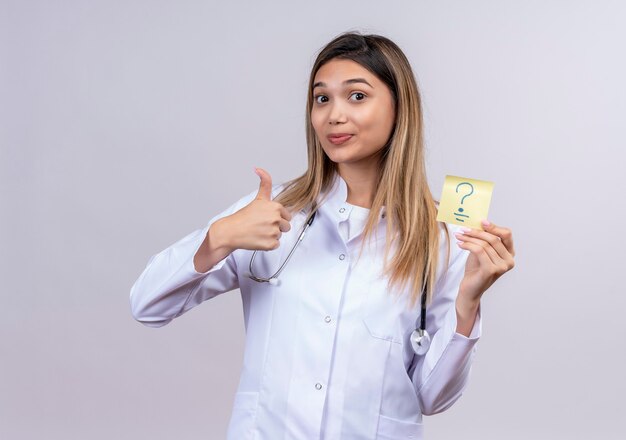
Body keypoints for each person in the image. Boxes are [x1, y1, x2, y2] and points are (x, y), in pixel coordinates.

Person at [130, 31, 515, 439]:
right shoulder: (276, 211)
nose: (333, 115)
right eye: (322, 98)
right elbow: (147, 306)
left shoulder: (441, 237)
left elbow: (432, 397)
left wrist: (468, 303)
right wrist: (217, 238)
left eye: (357, 96)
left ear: (400, 109)